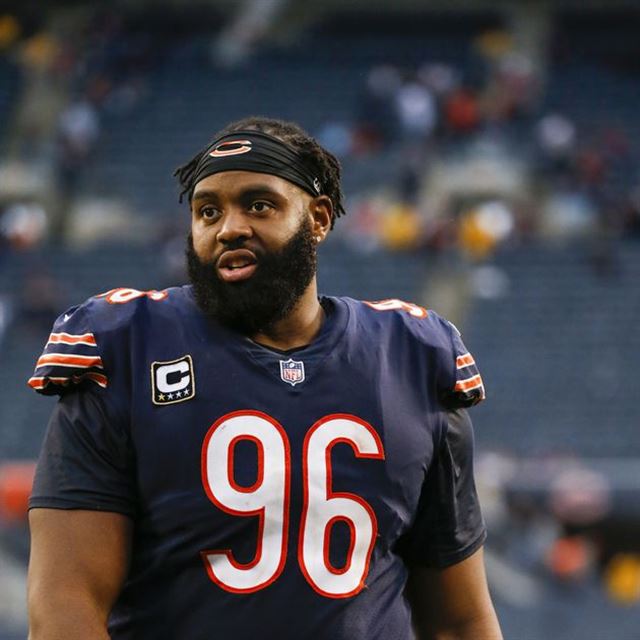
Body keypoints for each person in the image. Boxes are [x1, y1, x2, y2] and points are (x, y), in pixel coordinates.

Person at [26, 116, 502, 639]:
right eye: (207, 211)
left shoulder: (410, 355)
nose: (228, 227)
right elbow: (65, 605)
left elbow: (458, 620)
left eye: (258, 204)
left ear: (319, 218)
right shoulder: (127, 347)